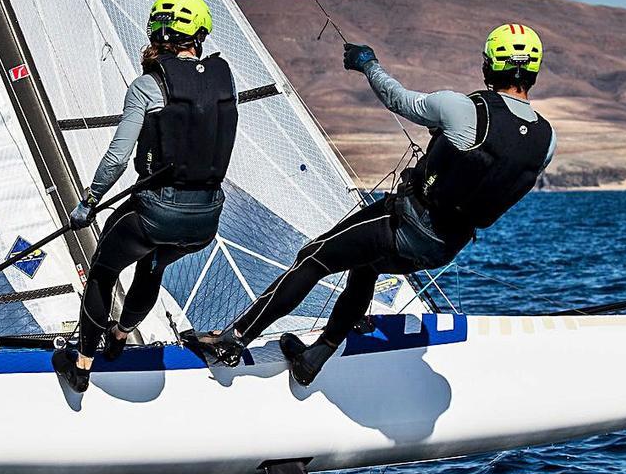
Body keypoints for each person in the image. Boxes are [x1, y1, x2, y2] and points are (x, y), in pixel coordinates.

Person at [197, 24, 557, 386]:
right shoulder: (547, 140)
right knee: (365, 267)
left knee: (312, 259)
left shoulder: (462, 108)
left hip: (402, 227)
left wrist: (367, 63)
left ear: (489, 66)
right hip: (444, 248)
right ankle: (314, 356)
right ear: (534, 71)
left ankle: (234, 339)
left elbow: (396, 99)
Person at [52, 0, 239, 393]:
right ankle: (120, 336)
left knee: (103, 272)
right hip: (205, 221)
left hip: (155, 214)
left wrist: (89, 200)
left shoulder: (147, 85)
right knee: (153, 264)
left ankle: (82, 366)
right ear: (200, 34)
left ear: (156, 30)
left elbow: (118, 157)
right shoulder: (226, 78)